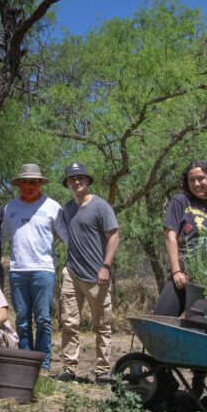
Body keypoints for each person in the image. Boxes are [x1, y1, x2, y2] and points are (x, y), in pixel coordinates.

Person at [153, 160, 207, 394]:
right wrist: (176, 271)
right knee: (159, 323)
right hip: (183, 277)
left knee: (203, 332)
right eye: (192, 180)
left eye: (201, 178)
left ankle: (199, 385)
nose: (197, 183)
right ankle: (164, 378)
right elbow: (170, 235)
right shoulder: (181, 202)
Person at [57, 163, 120, 384]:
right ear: (67, 184)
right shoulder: (67, 209)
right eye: (72, 179)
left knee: (102, 324)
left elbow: (114, 236)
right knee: (69, 322)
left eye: (80, 178)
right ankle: (69, 368)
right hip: (72, 272)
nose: (76, 182)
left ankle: (103, 370)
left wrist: (106, 266)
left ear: (87, 181)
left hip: (97, 275)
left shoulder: (101, 206)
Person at [2, 164, 68, 371]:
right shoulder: (10, 208)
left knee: (43, 319)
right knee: (22, 320)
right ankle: (25, 361)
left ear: (40, 184)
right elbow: (2, 236)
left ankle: (43, 364)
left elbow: (66, 236)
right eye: (25, 182)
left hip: (43, 270)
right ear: (19, 184)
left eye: (33, 182)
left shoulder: (52, 207)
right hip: (18, 270)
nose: (29, 186)